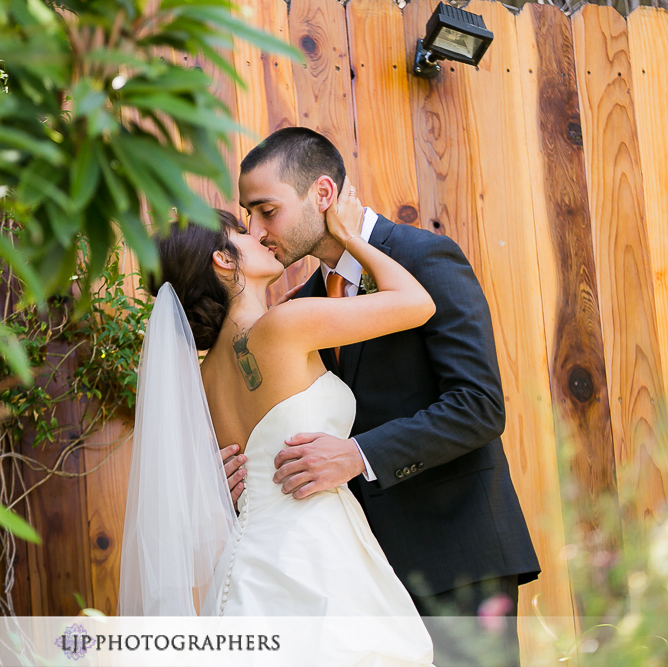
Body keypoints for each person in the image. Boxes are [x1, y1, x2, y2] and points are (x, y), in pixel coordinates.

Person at [225, 126, 540, 664]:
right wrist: (241, 469)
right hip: (360, 577)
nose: (256, 230)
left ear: (322, 195)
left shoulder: (424, 256)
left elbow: (478, 405)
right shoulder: (301, 305)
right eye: (247, 215)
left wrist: (358, 455)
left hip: (456, 557)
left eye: (266, 211)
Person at [119, 183, 435, 664]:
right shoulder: (288, 324)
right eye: (243, 235)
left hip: (246, 565)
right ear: (225, 261)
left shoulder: (201, 381)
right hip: (317, 556)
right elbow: (417, 303)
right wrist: (352, 238)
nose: (259, 237)